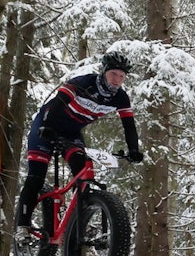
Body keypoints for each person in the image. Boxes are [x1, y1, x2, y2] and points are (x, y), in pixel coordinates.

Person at [14, 51, 144, 242]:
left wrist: (133, 149)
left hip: (72, 133)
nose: (117, 80)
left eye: (122, 77)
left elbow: (129, 125)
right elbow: (58, 104)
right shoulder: (83, 83)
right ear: (104, 71)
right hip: (46, 125)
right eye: (113, 74)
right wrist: (47, 128)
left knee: (83, 172)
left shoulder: (121, 98)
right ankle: (22, 227)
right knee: (36, 176)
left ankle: (78, 218)